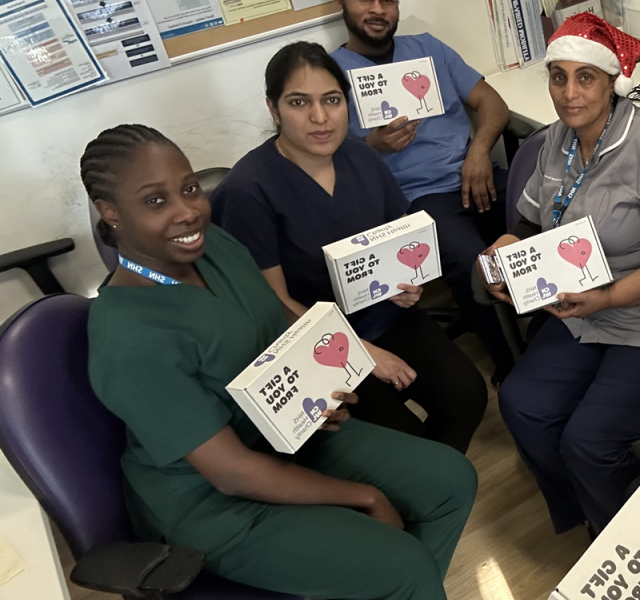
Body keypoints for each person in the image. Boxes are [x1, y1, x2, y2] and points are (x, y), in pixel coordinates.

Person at [83, 124, 477, 599]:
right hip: (212, 501)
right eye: (154, 201)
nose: (187, 212)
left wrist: (316, 389)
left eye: (188, 189)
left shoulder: (215, 249)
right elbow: (229, 473)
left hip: (288, 436)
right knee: (404, 565)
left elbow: (276, 331)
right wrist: (366, 497)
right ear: (111, 213)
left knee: (451, 482)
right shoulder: (128, 339)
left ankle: (396, 587)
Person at [485, 13, 640, 535]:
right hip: (580, 308)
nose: (569, 93)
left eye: (585, 77)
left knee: (589, 440)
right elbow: (527, 217)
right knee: (521, 404)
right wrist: (505, 248)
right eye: (558, 76)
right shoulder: (556, 141)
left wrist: (607, 297)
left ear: (612, 82)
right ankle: (599, 516)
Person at [211, 42, 486, 454]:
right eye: (299, 102)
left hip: (382, 315)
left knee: (466, 396)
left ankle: (432, 487)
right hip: (310, 340)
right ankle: (419, 487)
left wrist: (407, 282)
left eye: (332, 100)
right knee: (401, 440)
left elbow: (396, 241)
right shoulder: (249, 190)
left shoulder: (361, 156)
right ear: (273, 108)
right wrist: (362, 354)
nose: (320, 118)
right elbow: (274, 302)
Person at [331, 0, 515, 381]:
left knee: (548, 219)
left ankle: (565, 335)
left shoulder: (429, 48)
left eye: (388, 0)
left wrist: (479, 151)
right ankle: (512, 366)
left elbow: (492, 102)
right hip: (417, 198)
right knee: (469, 260)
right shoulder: (332, 74)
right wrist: (373, 148)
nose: (378, 9)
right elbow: (326, 161)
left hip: (475, 173)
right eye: (365, 0)